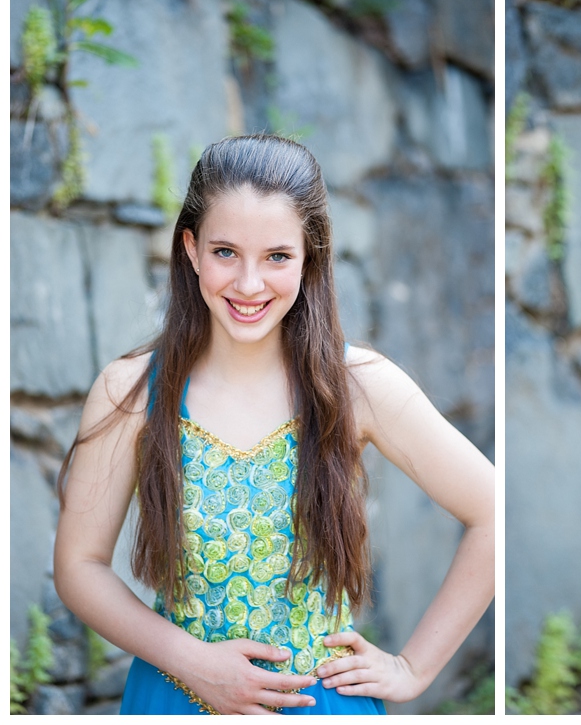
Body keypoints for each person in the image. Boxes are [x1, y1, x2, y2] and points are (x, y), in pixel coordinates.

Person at [54, 134, 495, 715]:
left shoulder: (357, 384)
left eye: (277, 257)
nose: (249, 284)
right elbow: (78, 566)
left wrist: (412, 668)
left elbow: (492, 511)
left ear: (310, 256)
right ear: (190, 249)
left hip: (321, 705)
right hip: (174, 698)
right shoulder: (132, 390)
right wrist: (194, 662)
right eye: (225, 252)